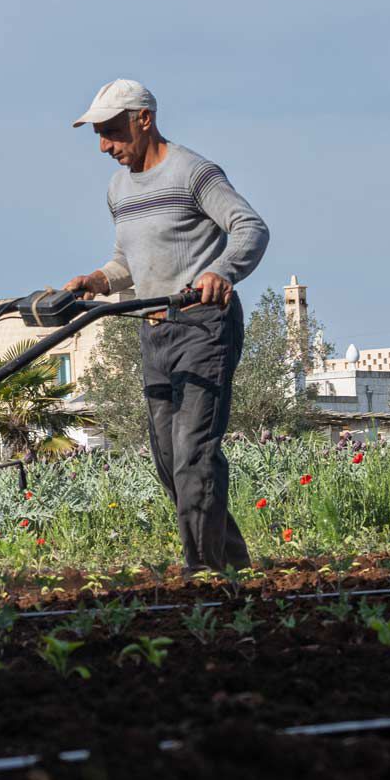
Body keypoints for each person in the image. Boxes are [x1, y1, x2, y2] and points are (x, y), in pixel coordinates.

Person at [63, 79, 269, 572]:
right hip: (153, 332)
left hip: (202, 327)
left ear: (144, 119)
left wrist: (222, 271)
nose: (104, 147)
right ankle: (233, 566)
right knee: (169, 463)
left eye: (111, 132)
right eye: (98, 135)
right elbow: (127, 261)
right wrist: (98, 280)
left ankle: (202, 574)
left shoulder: (193, 172)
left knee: (193, 455)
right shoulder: (118, 190)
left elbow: (250, 227)